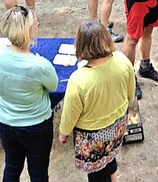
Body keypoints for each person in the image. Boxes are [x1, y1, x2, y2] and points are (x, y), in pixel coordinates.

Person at [58, 20, 135, 182]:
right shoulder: (122, 60)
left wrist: (63, 133)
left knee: (97, 174)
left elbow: (70, 112)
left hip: (93, 136)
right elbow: (131, 94)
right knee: (110, 155)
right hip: (118, 125)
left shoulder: (78, 79)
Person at [0, 5, 58, 182]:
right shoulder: (39, 65)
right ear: (29, 30)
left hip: (5, 121)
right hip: (36, 125)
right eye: (36, 23)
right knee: (38, 172)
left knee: (12, 167)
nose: (38, 25)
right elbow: (53, 85)